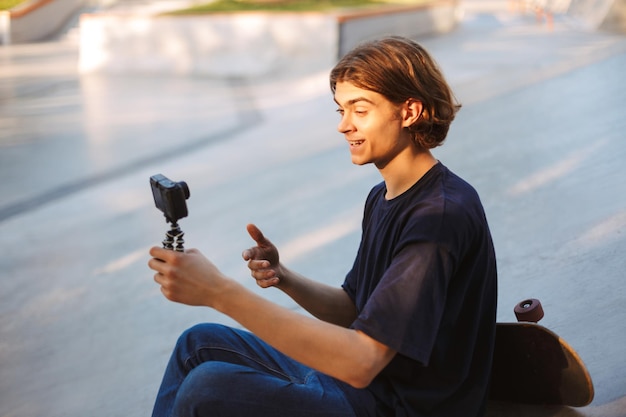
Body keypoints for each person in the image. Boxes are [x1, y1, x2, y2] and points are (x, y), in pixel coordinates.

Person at [148, 36, 498, 417]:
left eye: (360, 110)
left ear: (410, 111)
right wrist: (284, 277)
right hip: (361, 390)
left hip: (398, 406)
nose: (344, 126)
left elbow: (363, 361)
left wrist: (219, 292)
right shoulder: (383, 199)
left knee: (207, 387)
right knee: (196, 344)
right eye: (341, 111)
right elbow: (355, 309)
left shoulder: (439, 218)